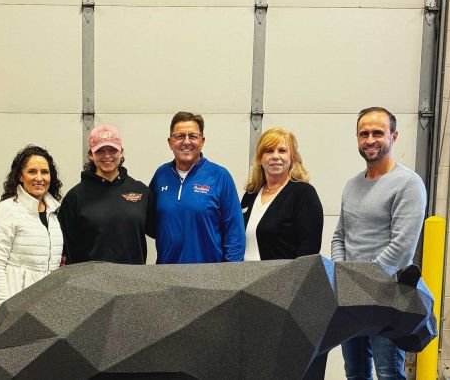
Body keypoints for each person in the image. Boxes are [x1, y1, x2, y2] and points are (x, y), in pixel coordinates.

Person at [331, 107, 427, 380]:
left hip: (387, 297)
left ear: (393, 136)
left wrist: (362, 282)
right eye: (364, 134)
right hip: (351, 298)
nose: (370, 140)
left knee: (388, 373)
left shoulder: (408, 184)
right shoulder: (352, 185)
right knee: (355, 373)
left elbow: (401, 247)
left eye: (377, 133)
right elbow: (340, 235)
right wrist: (343, 274)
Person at [240, 127, 326, 379]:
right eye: (268, 150)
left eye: (282, 150)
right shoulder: (250, 195)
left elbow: (308, 250)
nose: (275, 156)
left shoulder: (303, 194)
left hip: (285, 295)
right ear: (259, 158)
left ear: (293, 157)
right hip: (250, 292)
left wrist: (289, 291)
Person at [149, 111, 245, 264]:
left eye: (193, 136)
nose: (186, 142)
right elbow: (151, 223)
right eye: (180, 136)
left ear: (202, 141)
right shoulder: (161, 176)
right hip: (166, 274)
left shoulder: (220, 176)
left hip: (209, 277)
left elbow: (235, 231)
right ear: (170, 142)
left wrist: (231, 276)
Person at [59, 124, 151, 264]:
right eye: (100, 150)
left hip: (134, 281)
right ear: (90, 154)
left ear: (121, 152)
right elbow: (66, 248)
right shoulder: (75, 197)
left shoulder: (141, 191)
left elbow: (159, 230)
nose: (107, 155)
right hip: (90, 283)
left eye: (112, 150)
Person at [0, 145, 64, 306]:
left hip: (49, 303)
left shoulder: (56, 212)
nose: (39, 178)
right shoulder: (7, 210)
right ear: (20, 176)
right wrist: (5, 307)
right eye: (32, 171)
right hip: (18, 303)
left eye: (44, 172)